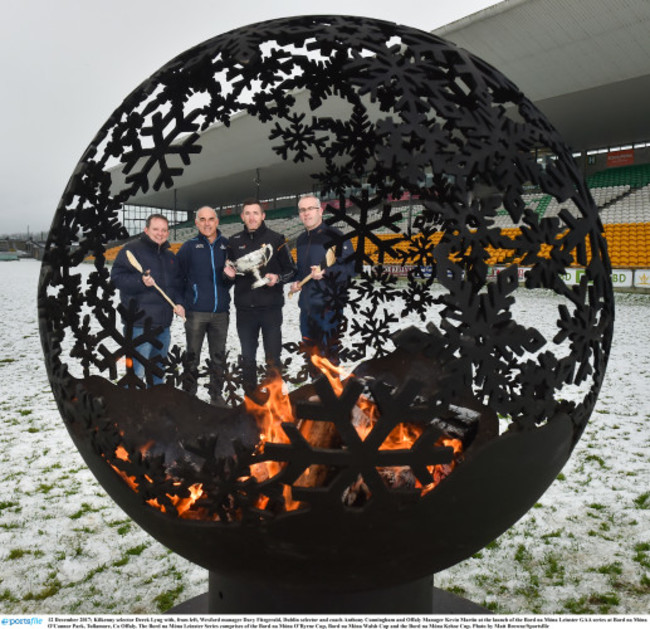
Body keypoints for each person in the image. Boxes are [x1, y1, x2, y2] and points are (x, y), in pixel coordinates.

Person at [224, 199, 296, 393]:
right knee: (247, 357)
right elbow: (230, 276)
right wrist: (227, 275)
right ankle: (250, 398)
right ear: (242, 217)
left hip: (271, 309)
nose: (252, 217)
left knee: (273, 357)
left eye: (256, 213)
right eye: (247, 213)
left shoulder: (277, 239)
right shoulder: (234, 241)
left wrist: (278, 278)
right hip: (245, 311)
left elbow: (292, 270)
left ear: (263, 216)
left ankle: (275, 399)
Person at [111, 214, 185, 386]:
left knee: (158, 373)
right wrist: (140, 281)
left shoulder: (170, 257)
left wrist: (180, 303)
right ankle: (132, 411)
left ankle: (155, 411)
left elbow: (176, 285)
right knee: (136, 375)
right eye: (156, 229)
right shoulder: (131, 250)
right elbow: (116, 279)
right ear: (146, 230)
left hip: (163, 327)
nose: (160, 233)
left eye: (164, 230)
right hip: (139, 326)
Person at [176, 206, 232, 405]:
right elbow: (178, 277)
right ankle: (189, 396)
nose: (207, 223)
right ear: (196, 223)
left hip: (220, 314)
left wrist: (229, 277)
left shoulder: (228, 245)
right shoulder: (189, 247)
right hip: (195, 313)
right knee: (192, 357)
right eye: (202, 219)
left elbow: (232, 278)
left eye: (210, 219)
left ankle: (216, 395)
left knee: (218, 357)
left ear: (217, 221)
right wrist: (180, 302)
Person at [289, 195, 355, 363]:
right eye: (302, 210)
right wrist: (297, 282)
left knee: (329, 356)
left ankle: (333, 389)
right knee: (312, 356)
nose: (306, 213)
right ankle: (318, 389)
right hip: (306, 309)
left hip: (328, 309)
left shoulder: (336, 236)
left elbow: (351, 268)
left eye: (310, 208)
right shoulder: (302, 239)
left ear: (320, 211)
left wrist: (326, 273)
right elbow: (302, 270)